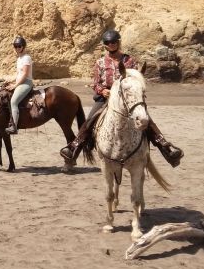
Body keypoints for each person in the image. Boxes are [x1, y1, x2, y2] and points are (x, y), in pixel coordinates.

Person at [59, 29, 184, 167]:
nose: (111, 44)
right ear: (104, 45)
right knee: (89, 121)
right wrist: (103, 90)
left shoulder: (129, 60)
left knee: (146, 119)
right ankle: (73, 150)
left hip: (127, 97)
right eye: (108, 42)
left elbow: (136, 78)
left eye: (113, 42)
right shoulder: (100, 62)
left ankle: (167, 150)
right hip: (106, 98)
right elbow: (96, 83)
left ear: (118, 42)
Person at [2, 36, 34, 135]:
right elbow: (18, 74)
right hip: (20, 82)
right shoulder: (19, 59)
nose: (17, 48)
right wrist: (10, 80)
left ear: (23, 47)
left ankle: (14, 127)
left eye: (19, 46)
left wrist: (15, 85)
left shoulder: (26, 58)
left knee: (14, 101)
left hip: (26, 83)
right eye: (15, 46)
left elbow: (25, 74)